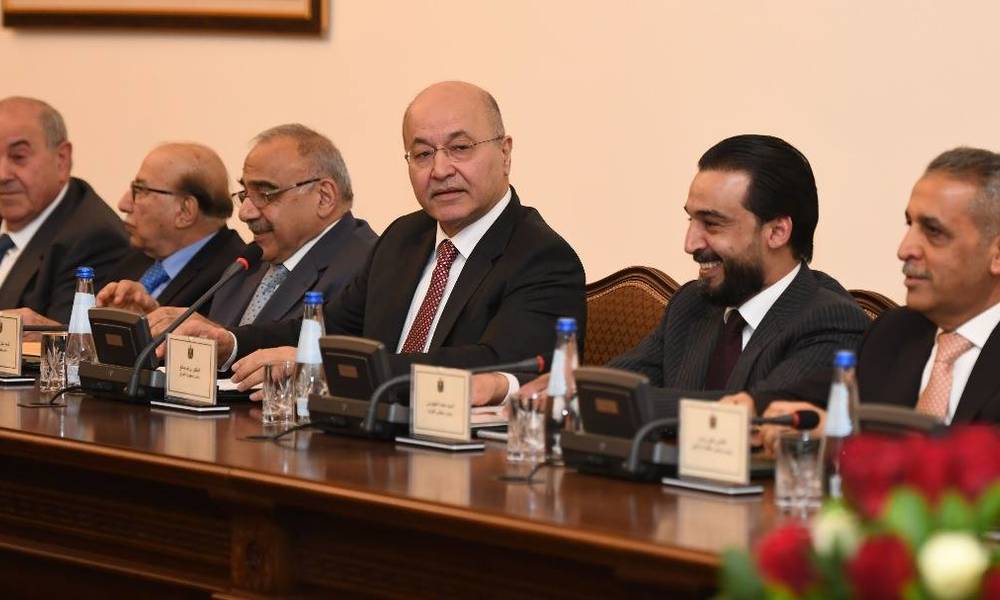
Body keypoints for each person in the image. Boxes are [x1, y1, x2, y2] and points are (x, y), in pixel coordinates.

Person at [162, 81, 587, 395]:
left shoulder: (542, 257)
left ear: (505, 153)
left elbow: (497, 364)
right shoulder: (404, 238)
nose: (440, 170)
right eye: (422, 154)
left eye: (460, 148)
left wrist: (332, 369)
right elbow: (327, 329)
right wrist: (231, 342)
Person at [476, 134, 869, 418]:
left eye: (712, 224)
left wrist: (587, 395)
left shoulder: (829, 320)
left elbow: (754, 413)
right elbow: (614, 383)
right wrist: (523, 386)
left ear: (777, 231)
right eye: (691, 220)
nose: (690, 243)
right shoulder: (692, 305)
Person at [761, 146, 1000, 436]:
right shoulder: (896, 331)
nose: (905, 249)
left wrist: (846, 436)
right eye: (910, 225)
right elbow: (808, 398)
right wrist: (750, 405)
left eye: (934, 232)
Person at [137, 124, 376, 329]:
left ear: (324, 197)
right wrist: (151, 328)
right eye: (245, 194)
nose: (245, 213)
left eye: (265, 194)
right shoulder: (245, 267)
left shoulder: (365, 270)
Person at [0, 96, 128, 324]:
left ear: (61, 160)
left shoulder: (94, 239)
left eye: (18, 157)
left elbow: (69, 342)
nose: (3, 174)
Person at [96, 143, 245, 315]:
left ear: (185, 211)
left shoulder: (233, 277)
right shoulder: (136, 258)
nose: (123, 204)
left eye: (140, 190)